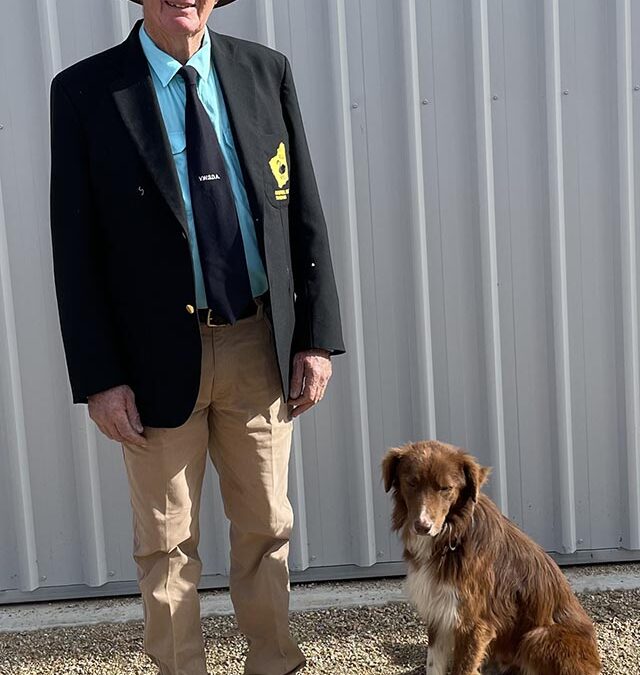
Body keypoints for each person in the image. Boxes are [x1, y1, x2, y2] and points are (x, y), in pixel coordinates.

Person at [49, 0, 344, 673]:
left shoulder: (263, 71)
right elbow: (75, 248)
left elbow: (302, 211)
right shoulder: (87, 93)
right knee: (165, 540)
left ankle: (275, 662)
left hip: (257, 344)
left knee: (267, 527)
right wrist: (99, 375)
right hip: (150, 361)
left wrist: (316, 338)